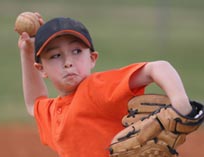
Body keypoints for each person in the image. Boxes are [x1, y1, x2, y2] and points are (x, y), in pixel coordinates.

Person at [18, 13, 193, 157]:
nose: (68, 62)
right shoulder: (53, 112)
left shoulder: (95, 88)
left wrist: (180, 103)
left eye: (76, 51)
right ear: (41, 69)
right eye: (55, 56)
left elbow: (158, 67)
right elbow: (33, 104)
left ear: (92, 58)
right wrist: (27, 52)